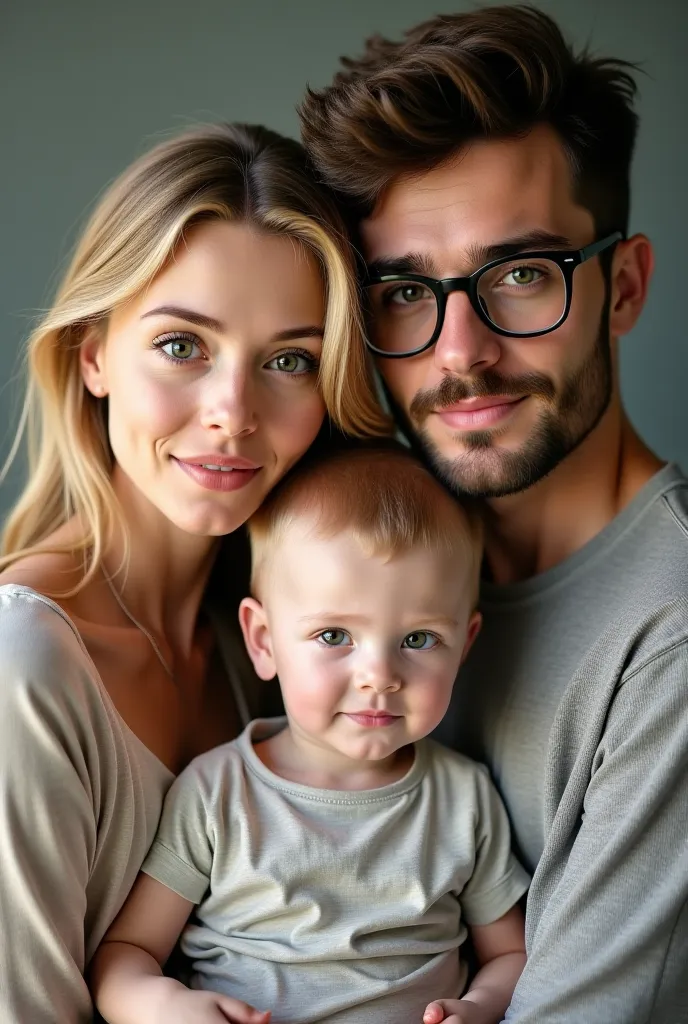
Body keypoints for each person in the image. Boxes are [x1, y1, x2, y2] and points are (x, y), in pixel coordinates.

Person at [300, 5, 688, 1023]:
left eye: (521, 274)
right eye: (402, 291)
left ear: (623, 286)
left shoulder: (670, 635)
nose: (458, 349)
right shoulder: (325, 557)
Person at [0, 122, 387, 1024]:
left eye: (288, 360)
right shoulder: (25, 664)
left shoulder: (270, 647)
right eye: (183, 345)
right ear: (93, 354)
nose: (233, 414)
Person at [89, 446, 529, 1024]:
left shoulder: (464, 799)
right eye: (333, 636)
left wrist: (480, 1006)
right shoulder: (217, 793)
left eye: (419, 640)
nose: (379, 677)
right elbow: (127, 955)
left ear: (464, 644)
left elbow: (513, 954)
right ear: (265, 641)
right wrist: (167, 1006)